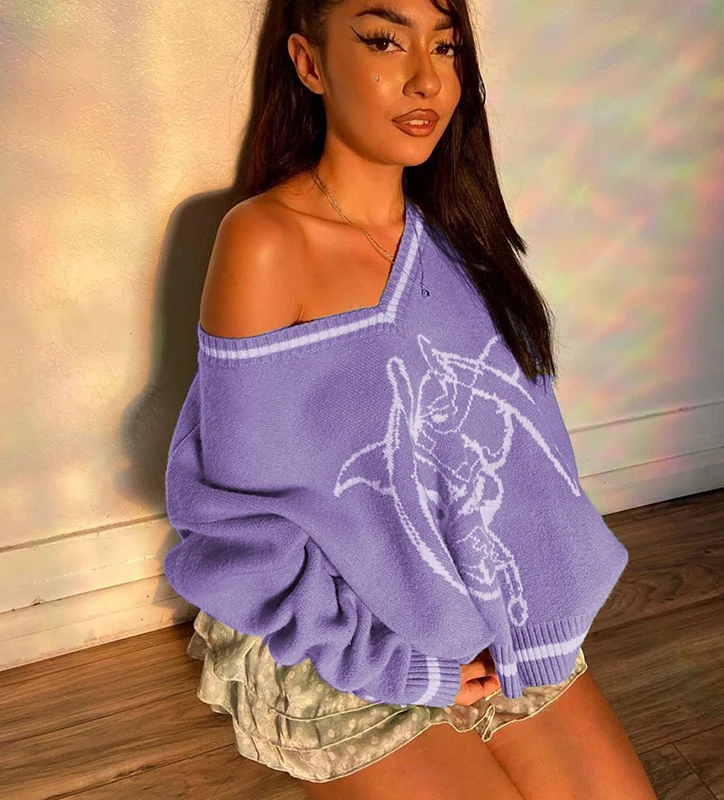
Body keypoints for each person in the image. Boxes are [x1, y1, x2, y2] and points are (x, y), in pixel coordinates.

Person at [165, 0, 659, 797]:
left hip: (483, 617)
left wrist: (523, 617)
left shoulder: (457, 235)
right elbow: (232, 523)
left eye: (447, 46)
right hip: (336, 641)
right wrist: (396, 663)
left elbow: (522, 462)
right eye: (384, 41)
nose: (427, 79)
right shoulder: (265, 242)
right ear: (310, 64)